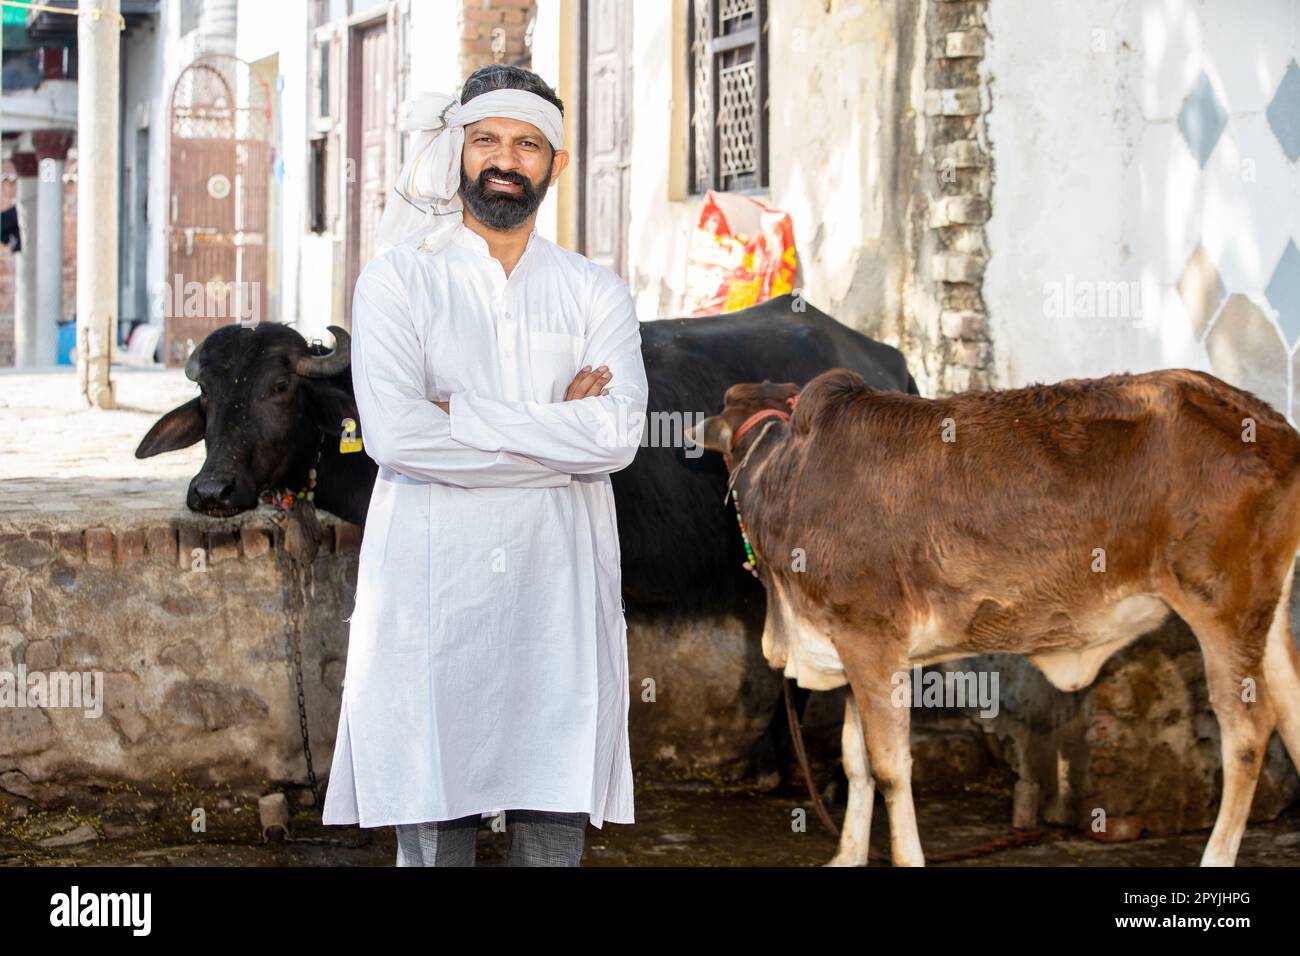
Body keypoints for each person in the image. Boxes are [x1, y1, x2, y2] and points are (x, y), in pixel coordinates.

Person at [320, 64, 648, 868]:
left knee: (551, 813)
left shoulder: (593, 291)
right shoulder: (399, 281)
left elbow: (615, 440)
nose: (507, 159)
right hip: (436, 602)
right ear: (460, 150)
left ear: (556, 164)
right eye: (489, 140)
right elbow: (397, 439)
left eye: (528, 144)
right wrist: (557, 435)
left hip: (555, 601)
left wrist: (458, 415)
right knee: (434, 819)